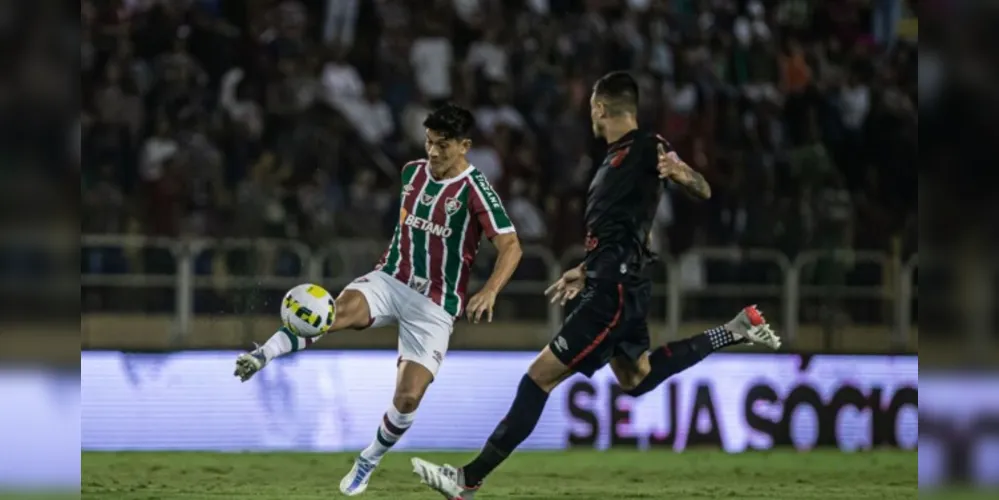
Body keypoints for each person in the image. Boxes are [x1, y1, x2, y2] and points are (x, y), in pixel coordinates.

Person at [410, 72, 782, 499]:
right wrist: (587, 267)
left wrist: (682, 173)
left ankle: (467, 480)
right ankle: (734, 330)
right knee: (636, 376)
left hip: (615, 289)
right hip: (616, 279)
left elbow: (703, 188)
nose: (589, 113)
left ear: (601, 108)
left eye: (591, 106)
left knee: (538, 379)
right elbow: (622, 227)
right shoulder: (614, 157)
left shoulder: (646, 147)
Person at [233, 104, 523, 496]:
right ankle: (261, 355)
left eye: (443, 145)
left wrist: (490, 290)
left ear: (465, 146)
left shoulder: (475, 190)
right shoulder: (411, 173)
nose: (433, 152)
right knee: (329, 313)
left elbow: (511, 246)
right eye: (429, 143)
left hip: (434, 305)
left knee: (407, 398)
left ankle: (368, 458)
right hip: (390, 279)